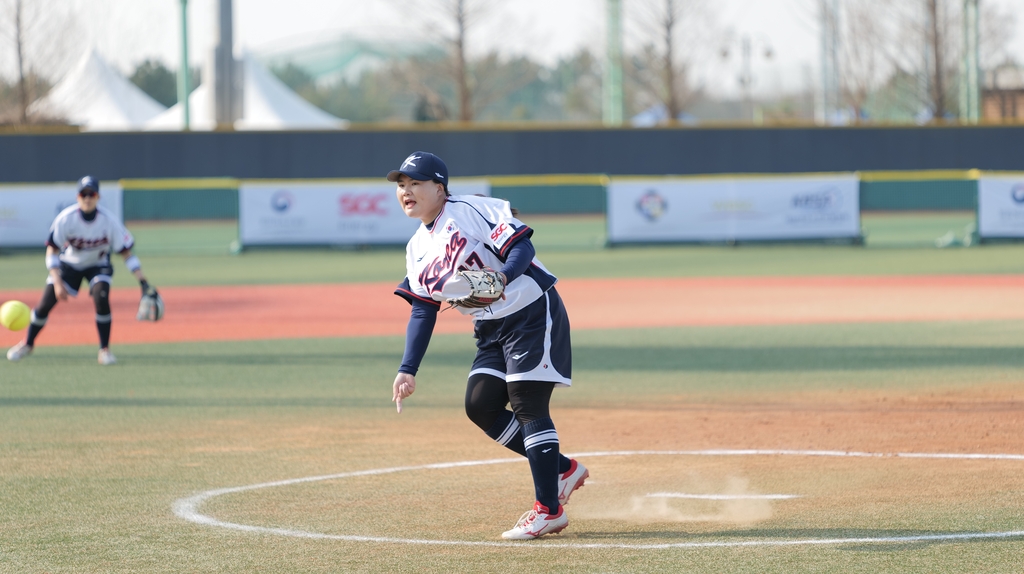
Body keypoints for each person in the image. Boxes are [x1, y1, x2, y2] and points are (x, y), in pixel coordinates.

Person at [388, 151, 589, 540]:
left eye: (415, 183)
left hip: (530, 310)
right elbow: (423, 310)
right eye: (401, 185)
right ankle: (563, 470)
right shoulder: (417, 249)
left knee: (527, 402)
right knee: (480, 405)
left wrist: (503, 277)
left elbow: (522, 248)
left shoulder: (468, 209)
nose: (406, 191)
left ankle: (548, 510)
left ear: (440, 188)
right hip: (489, 328)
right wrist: (407, 369)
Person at [7, 176, 153, 366]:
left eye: (91, 194)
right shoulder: (66, 219)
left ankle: (104, 350)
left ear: (98, 196)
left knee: (101, 296)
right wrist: (58, 283)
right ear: (77, 196)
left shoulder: (108, 221)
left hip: (97, 265)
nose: (87, 198)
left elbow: (126, 252)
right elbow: (52, 250)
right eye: (83, 194)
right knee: (44, 305)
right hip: (69, 265)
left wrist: (142, 280)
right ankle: (27, 344)